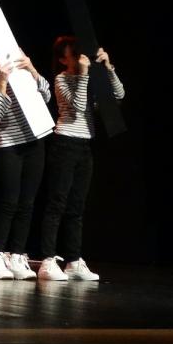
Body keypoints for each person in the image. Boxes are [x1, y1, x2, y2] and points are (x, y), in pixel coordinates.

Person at [37, 36, 124, 282]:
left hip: (85, 145)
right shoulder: (62, 79)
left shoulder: (89, 79)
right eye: (72, 55)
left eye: (79, 53)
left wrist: (108, 68)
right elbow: (77, 106)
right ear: (63, 60)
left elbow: (119, 95)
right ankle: (47, 260)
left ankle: (73, 261)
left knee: (76, 206)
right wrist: (84, 74)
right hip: (65, 143)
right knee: (57, 203)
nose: (78, 59)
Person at [0, 39, 52, 281]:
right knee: (9, 201)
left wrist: (31, 68)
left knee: (27, 203)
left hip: (35, 140)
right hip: (8, 144)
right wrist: (2, 81)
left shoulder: (22, 71)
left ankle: (18, 255)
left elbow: (46, 96)